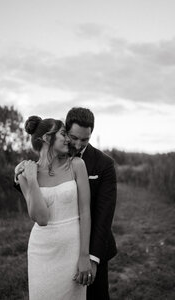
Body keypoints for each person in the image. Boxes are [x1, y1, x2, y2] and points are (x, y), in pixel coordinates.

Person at [16, 115, 92, 300]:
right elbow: (41, 219)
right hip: (41, 252)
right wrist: (32, 180)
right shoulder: (25, 174)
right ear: (47, 138)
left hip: (72, 252)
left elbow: (85, 211)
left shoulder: (76, 165)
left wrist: (84, 256)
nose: (68, 139)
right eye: (63, 134)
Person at [65, 107, 117, 300]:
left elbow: (104, 215)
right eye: (74, 137)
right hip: (62, 245)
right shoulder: (54, 157)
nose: (78, 144)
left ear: (91, 135)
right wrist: (19, 178)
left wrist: (92, 259)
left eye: (84, 139)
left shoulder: (105, 164)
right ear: (66, 130)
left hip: (95, 245)